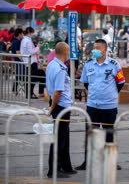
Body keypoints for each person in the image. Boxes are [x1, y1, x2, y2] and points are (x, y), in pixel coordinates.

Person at [76, 39, 125, 170]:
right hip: (92, 106)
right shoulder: (89, 65)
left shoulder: (114, 65)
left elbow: (120, 82)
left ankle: (111, 162)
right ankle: (88, 161)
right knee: (90, 134)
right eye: (94, 47)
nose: (94, 50)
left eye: (97, 48)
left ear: (104, 50)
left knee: (109, 135)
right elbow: (85, 83)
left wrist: (110, 95)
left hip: (109, 107)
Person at [46, 42, 76, 178]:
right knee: (59, 138)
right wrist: (52, 107)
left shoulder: (51, 65)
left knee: (64, 137)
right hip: (61, 106)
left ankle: (65, 166)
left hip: (59, 104)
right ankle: (53, 169)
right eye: (68, 52)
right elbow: (58, 92)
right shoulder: (60, 69)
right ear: (66, 52)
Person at [20, 27, 45, 99]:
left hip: (30, 61)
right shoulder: (27, 41)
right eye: (32, 32)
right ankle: (30, 94)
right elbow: (31, 51)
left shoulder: (25, 40)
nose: (32, 34)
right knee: (32, 79)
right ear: (29, 32)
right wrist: (38, 47)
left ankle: (38, 92)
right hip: (31, 62)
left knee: (40, 75)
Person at [11, 28, 24, 93]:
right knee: (18, 75)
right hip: (18, 61)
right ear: (19, 34)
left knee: (18, 75)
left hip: (16, 60)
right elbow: (18, 52)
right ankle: (14, 89)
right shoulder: (17, 42)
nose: (22, 35)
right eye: (22, 34)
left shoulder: (15, 41)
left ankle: (14, 89)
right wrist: (22, 60)